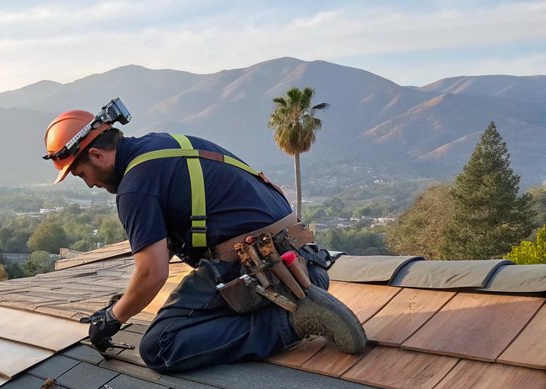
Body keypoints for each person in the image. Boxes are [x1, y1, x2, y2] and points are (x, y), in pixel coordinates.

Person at [42, 100, 366, 373]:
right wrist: (126, 300)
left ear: (97, 155)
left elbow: (153, 272)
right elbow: (163, 247)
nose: (89, 184)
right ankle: (303, 300)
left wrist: (113, 319)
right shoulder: (159, 146)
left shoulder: (135, 186)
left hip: (259, 265)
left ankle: (291, 322)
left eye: (81, 174)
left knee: (160, 346)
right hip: (307, 266)